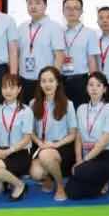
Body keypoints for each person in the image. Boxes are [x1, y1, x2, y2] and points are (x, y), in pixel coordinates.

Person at [66, 72, 109, 199]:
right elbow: (78, 136)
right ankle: (99, 183)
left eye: (98, 85)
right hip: (86, 156)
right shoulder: (81, 109)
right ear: (86, 88)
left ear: (104, 89)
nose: (94, 88)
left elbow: (104, 142)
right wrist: (79, 159)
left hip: (105, 156)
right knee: (71, 192)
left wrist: (84, 161)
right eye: (91, 85)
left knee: (79, 171)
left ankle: (103, 179)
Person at [29, 66, 76, 202]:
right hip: (42, 146)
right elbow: (30, 132)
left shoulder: (68, 104)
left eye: (51, 80)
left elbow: (73, 134)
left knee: (46, 155)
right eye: (43, 81)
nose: (47, 84)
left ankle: (60, 186)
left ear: (57, 83)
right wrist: (40, 143)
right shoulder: (33, 103)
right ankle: (48, 179)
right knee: (35, 173)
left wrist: (55, 145)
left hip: (62, 146)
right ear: (39, 84)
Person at [0, 74, 32, 201]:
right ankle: (9, 181)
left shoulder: (26, 111)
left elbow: (27, 139)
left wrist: (8, 151)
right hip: (1, 152)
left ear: (19, 89)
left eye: (12, 87)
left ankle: (20, 185)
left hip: (19, 154)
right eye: (4, 87)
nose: (8, 91)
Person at [60, 0, 99, 106]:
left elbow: (92, 60)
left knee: (81, 111)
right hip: (60, 81)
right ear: (63, 11)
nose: (71, 11)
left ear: (81, 11)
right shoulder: (58, 32)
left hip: (81, 81)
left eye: (76, 8)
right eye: (68, 8)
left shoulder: (90, 33)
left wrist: (94, 84)